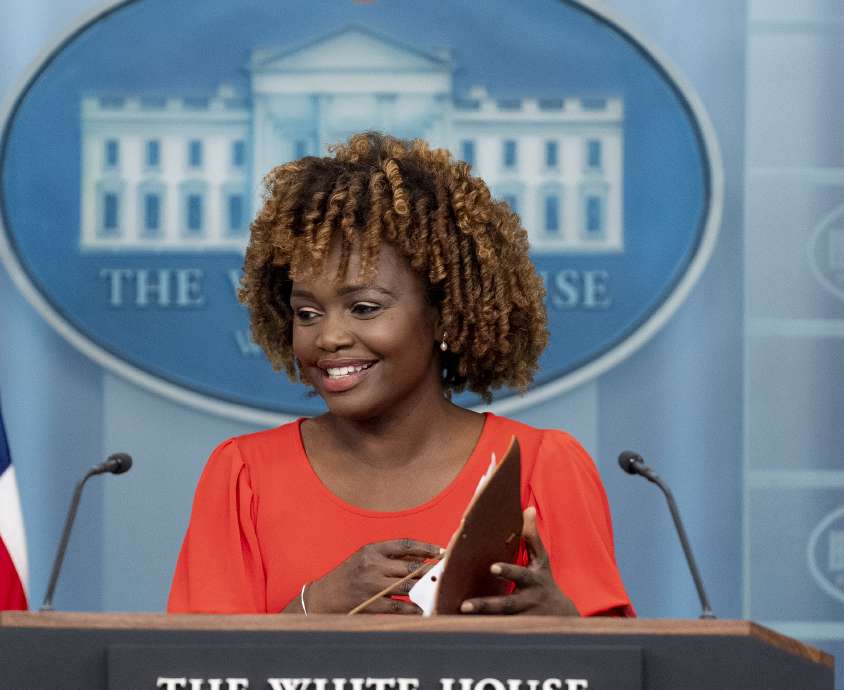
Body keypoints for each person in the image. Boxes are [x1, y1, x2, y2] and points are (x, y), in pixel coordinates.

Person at [167, 132, 633, 617]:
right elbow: (196, 671)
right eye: (307, 313)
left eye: (364, 308)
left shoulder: (540, 468)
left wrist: (564, 627)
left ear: (442, 315)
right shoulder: (243, 476)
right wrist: (313, 608)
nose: (328, 337)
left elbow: (615, 674)